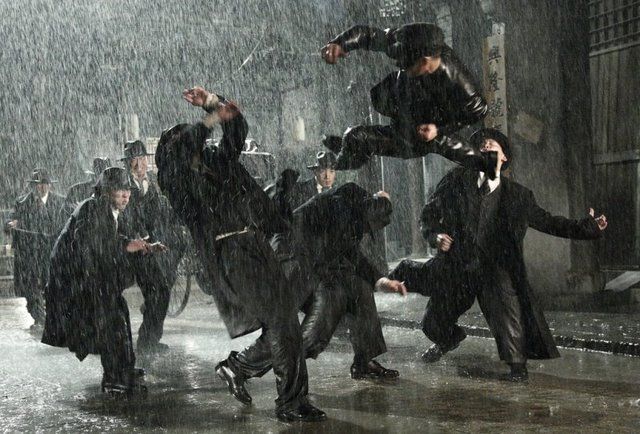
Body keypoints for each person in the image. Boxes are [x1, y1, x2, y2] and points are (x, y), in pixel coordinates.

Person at [155, 86, 325, 422]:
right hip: (230, 254)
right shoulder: (174, 179)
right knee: (280, 318)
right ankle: (288, 401)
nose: (193, 140)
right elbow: (185, 145)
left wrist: (216, 104)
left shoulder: (217, 162)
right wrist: (210, 118)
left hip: (255, 243)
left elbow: (235, 133)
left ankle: (290, 396)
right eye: (182, 139)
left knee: (286, 319)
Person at [389, 128, 608, 381]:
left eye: (491, 146)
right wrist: (435, 236)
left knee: (508, 315)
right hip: (459, 266)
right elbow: (428, 215)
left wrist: (587, 227)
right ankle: (448, 339)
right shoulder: (455, 182)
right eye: (480, 147)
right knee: (432, 323)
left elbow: (549, 222)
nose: (485, 148)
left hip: (495, 267)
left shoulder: (518, 196)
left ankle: (517, 369)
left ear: (504, 157)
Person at [221, 182, 407, 404]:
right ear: (367, 209)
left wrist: (381, 281)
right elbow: (332, 248)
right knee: (292, 328)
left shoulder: (353, 216)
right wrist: (383, 200)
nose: (367, 231)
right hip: (292, 258)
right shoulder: (343, 203)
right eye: (368, 225)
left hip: (314, 265)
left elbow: (351, 254)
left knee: (358, 290)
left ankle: (364, 361)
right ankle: (237, 367)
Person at [41, 167, 166, 396]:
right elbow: (92, 242)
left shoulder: (106, 209)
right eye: (120, 191)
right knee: (111, 319)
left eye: (128, 191)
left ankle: (123, 369)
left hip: (88, 278)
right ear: (107, 191)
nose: (126, 196)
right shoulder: (92, 208)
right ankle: (114, 377)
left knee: (117, 313)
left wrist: (141, 246)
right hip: (74, 281)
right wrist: (127, 245)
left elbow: (109, 238)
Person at [320, 22, 496, 176]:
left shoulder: (457, 80)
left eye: (406, 64)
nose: (400, 65)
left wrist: (438, 129)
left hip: (421, 126)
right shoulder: (408, 45)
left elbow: (479, 111)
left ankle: (349, 155)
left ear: (425, 62)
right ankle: (355, 150)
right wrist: (340, 43)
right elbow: (367, 34)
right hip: (403, 97)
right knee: (378, 101)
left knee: (358, 136)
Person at [120, 140, 187, 353]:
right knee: (158, 291)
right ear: (127, 163)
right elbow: (126, 218)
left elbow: (164, 212)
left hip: (156, 246)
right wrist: (142, 238)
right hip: (136, 249)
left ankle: (150, 339)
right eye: (134, 160)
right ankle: (146, 343)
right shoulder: (124, 186)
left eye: (142, 159)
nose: (139, 164)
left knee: (160, 292)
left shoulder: (154, 183)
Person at [4, 168, 65, 328]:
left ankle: (51, 317)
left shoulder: (60, 202)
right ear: (33, 186)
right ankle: (39, 318)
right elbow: (10, 219)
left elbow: (67, 222)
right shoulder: (22, 203)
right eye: (38, 184)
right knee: (29, 287)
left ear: (50, 185)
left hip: (51, 251)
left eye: (44, 183)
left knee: (51, 284)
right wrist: (11, 223)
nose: (41, 187)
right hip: (29, 251)